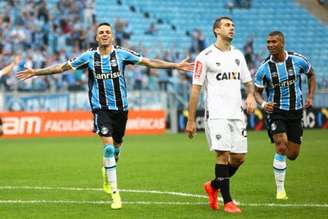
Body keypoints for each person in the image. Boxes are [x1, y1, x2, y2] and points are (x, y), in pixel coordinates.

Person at [16, 22, 193, 210]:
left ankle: (107, 172)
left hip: (121, 109)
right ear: (96, 37)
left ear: (112, 36)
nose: (105, 34)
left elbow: (150, 62)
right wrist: (36, 72)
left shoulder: (122, 54)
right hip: (101, 109)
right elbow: (62, 68)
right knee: (108, 149)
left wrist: (175, 65)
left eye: (108, 32)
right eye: (101, 32)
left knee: (116, 149)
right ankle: (116, 194)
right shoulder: (89, 57)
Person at [185, 17, 255, 213]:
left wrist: (250, 95)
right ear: (216, 30)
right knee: (222, 154)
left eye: (233, 25)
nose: (231, 28)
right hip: (216, 114)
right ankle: (229, 202)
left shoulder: (238, 55)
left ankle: (213, 186)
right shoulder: (204, 56)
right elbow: (195, 90)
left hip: (237, 114)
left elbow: (248, 82)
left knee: (239, 158)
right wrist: (191, 120)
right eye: (227, 25)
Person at [254, 31, 316, 200]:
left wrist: (310, 96)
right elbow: (257, 92)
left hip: (295, 112)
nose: (270, 45)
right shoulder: (264, 68)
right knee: (281, 146)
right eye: (268, 42)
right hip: (276, 111)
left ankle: (281, 162)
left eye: (274, 41)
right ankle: (280, 190)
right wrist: (263, 104)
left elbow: (311, 75)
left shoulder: (298, 60)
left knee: (293, 154)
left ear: (282, 43)